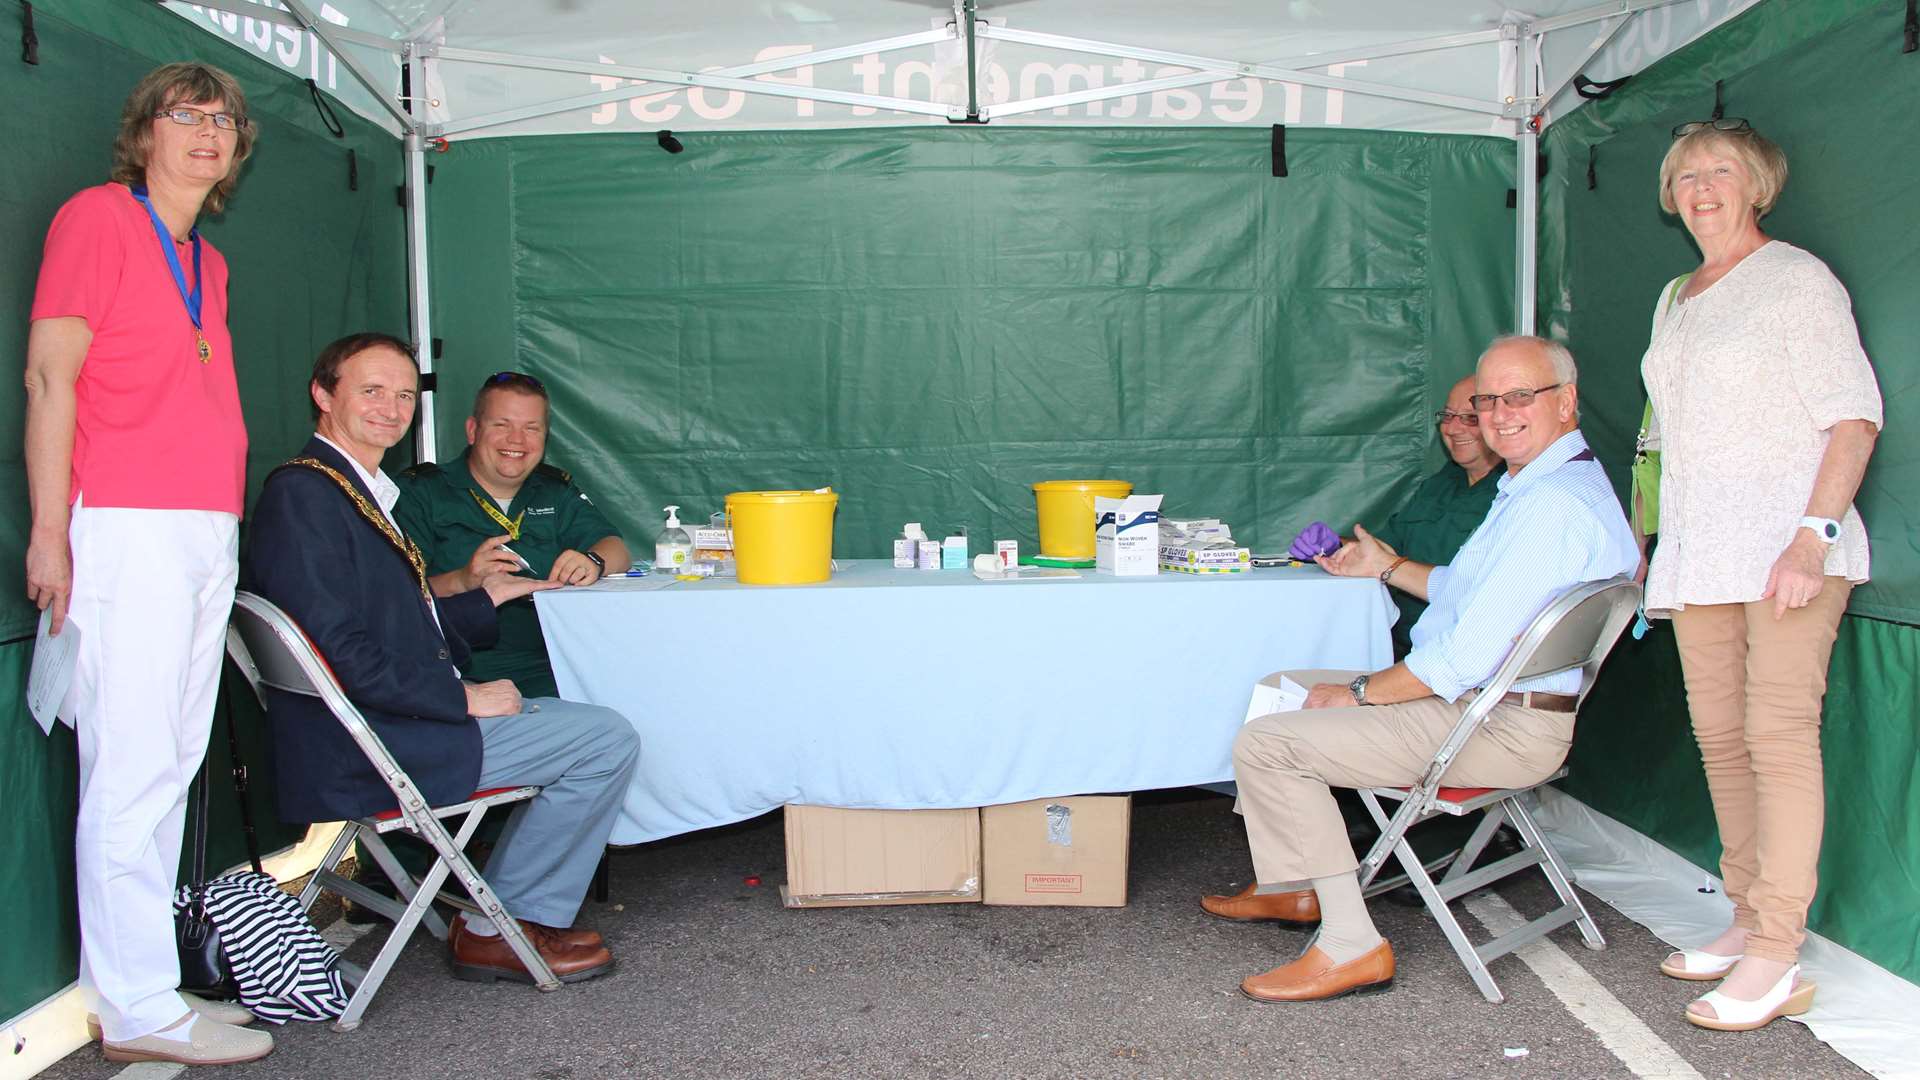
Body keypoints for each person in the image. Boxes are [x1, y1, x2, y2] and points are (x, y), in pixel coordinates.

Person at [1203, 336, 1636, 1003]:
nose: (1498, 413)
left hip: (1493, 724)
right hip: (1496, 707)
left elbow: (1460, 659)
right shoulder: (1547, 482)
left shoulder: (1550, 508)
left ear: (1567, 401)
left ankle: (1351, 945)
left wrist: (1361, 693)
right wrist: (1387, 566)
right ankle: (1294, 886)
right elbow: (1467, 592)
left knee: (1270, 742)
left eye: (1519, 396)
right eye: (1488, 400)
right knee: (1278, 688)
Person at [244, 333, 642, 986]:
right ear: (323, 394)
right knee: (606, 738)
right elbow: (336, 651)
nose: (390, 408)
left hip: (378, 727)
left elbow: (389, 625)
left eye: (404, 395)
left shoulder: (355, 490)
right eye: (370, 391)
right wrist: (459, 698)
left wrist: (483, 601)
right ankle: (502, 926)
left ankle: (502, 915)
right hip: (369, 748)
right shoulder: (306, 495)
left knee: (587, 724)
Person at [23, 63, 270, 1066]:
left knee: (169, 758)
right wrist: (50, 534)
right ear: (147, 132)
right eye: (187, 115)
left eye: (225, 121)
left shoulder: (205, 261)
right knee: (128, 766)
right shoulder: (96, 218)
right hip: (124, 526)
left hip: (202, 529)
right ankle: (128, 1004)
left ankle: (150, 989)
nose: (208, 133)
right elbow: (49, 378)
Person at [1640, 119, 1881, 1031]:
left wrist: (1811, 539)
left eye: (1722, 172)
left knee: (1778, 740)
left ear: (1759, 186)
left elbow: (1854, 418)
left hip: (1788, 552)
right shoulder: (1677, 295)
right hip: (1702, 555)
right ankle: (1747, 917)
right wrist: (1652, 536)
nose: (1702, 187)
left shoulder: (1796, 279)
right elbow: (1667, 439)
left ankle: (1779, 951)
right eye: (1687, 175)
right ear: (1670, 195)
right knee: (1720, 740)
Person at [395, 371, 628, 699]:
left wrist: (592, 560)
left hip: (555, 668)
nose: (516, 441)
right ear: (473, 431)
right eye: (501, 425)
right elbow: (392, 600)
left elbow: (616, 547)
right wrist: (463, 580)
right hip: (460, 672)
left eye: (531, 428)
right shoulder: (422, 494)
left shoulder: (554, 491)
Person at [1302, 375, 1503, 658]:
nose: (1453, 427)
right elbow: (1384, 550)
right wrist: (1335, 545)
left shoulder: (1513, 496)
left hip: (1450, 656)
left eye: (1469, 417)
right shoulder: (1439, 485)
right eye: (1447, 416)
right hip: (1395, 645)